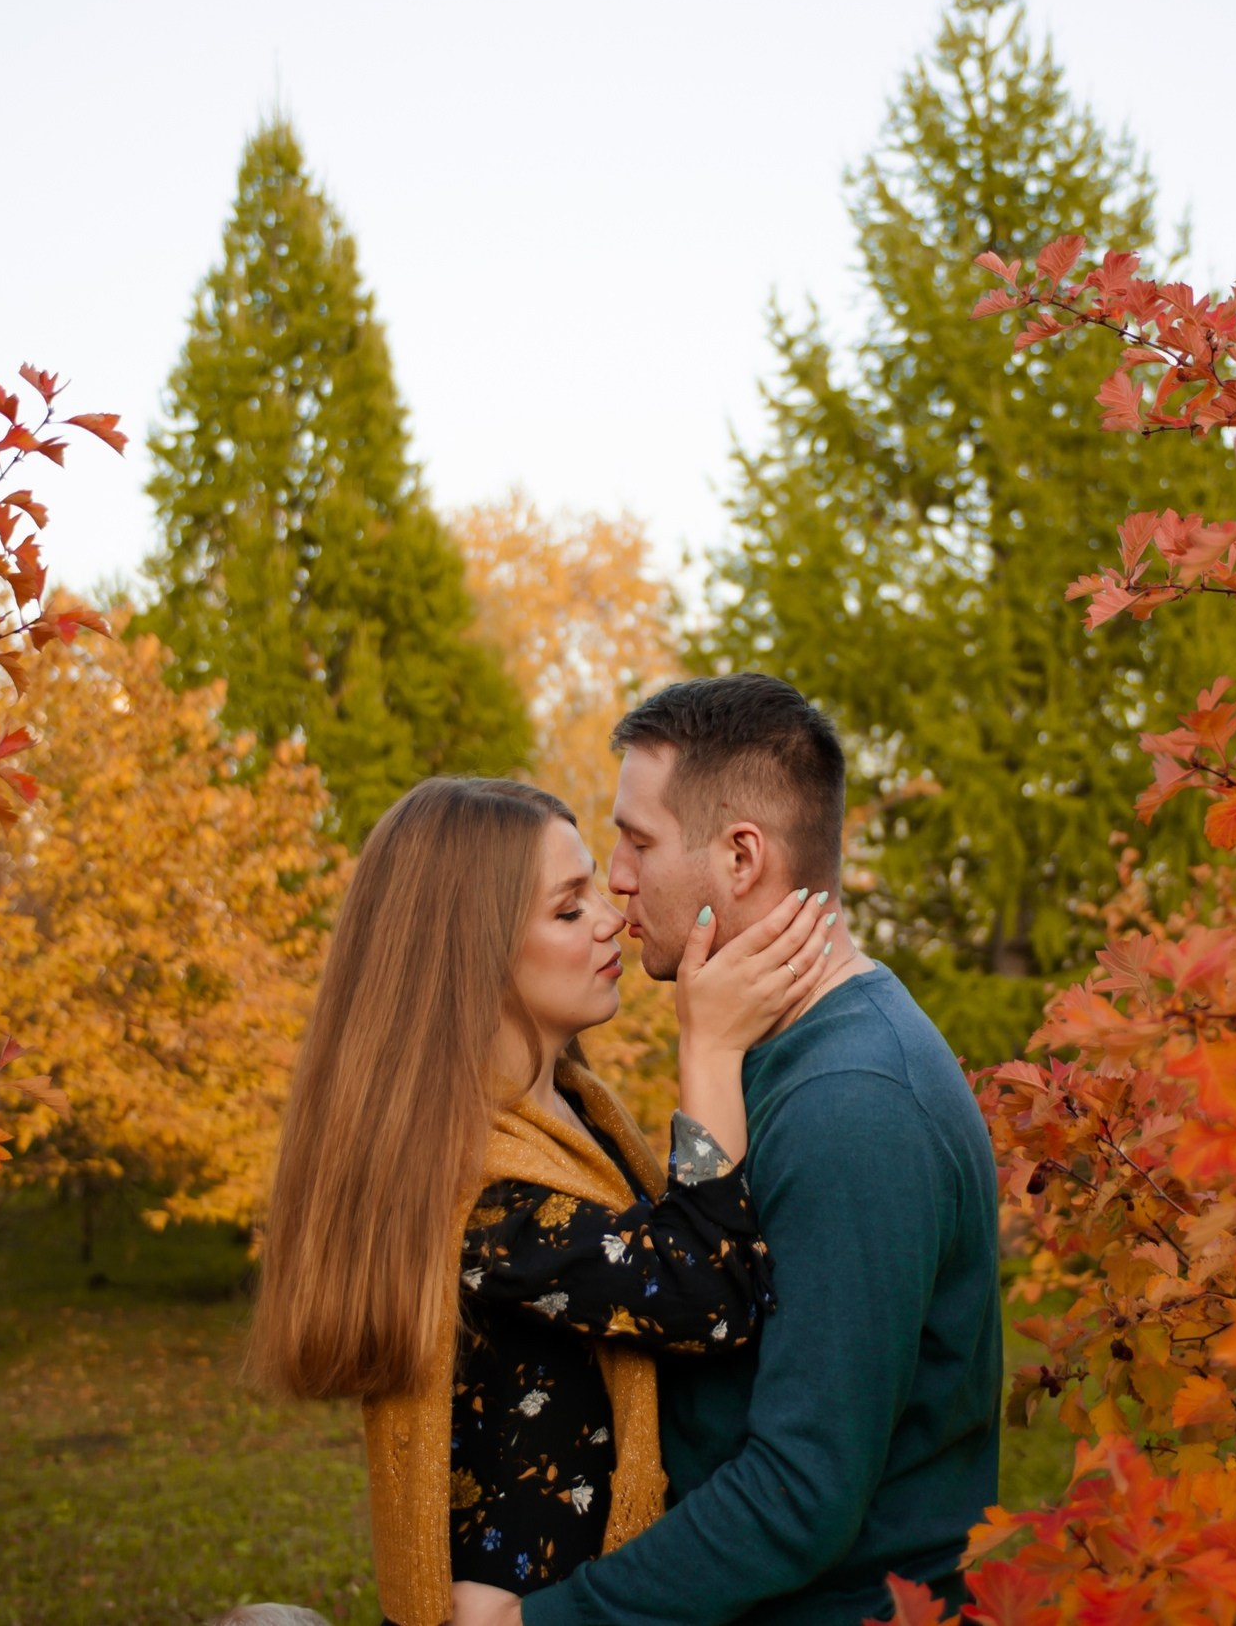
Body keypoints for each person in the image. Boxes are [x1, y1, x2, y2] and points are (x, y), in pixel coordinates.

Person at [248, 776, 835, 1626]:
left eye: (596, 885)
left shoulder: (571, 1112)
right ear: (470, 957)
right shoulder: (479, 1192)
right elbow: (705, 1297)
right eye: (568, 910)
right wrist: (709, 1050)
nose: (610, 916)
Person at [509, 674, 1005, 1626]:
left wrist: (545, 1625)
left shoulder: (854, 1104)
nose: (617, 876)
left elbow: (797, 1496)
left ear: (741, 856)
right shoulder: (778, 1054)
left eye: (638, 840)